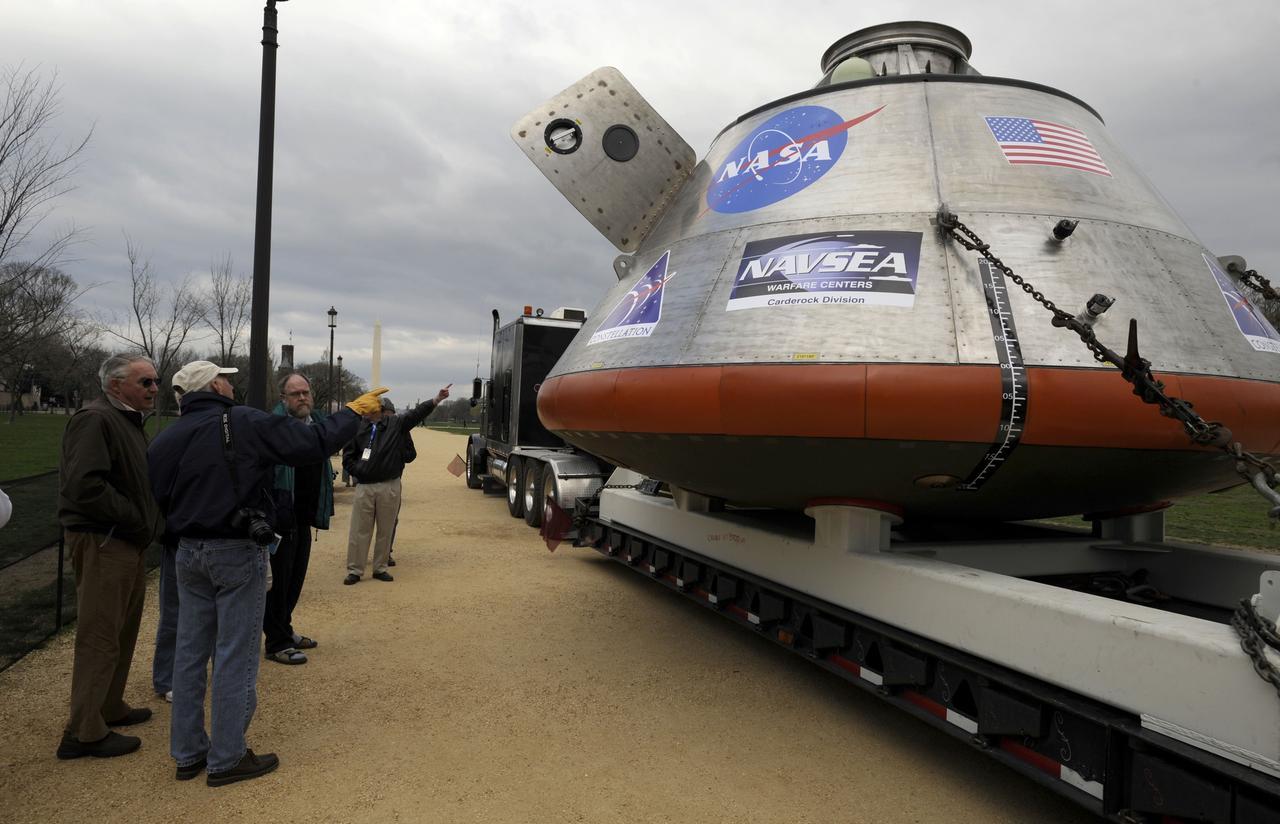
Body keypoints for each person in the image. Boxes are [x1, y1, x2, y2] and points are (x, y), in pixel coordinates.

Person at [148, 360, 386, 786]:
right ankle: (227, 758)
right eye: (226, 379)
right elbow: (311, 442)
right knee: (234, 655)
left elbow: (158, 495)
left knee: (189, 654)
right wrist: (353, 412)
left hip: (187, 551)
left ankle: (187, 753)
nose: (231, 384)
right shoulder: (240, 421)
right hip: (234, 549)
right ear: (214, 386)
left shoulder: (167, 437)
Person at [55, 354, 164, 760]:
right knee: (100, 635)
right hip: (105, 541)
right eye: (146, 382)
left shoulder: (127, 419)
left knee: (122, 630)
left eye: (156, 381)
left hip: (125, 540)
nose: (155, 389)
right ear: (115, 385)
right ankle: (83, 732)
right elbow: (84, 486)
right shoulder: (95, 419)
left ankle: (108, 705)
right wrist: (136, 518)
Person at [262, 373, 335, 665]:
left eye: (305, 392)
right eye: (295, 394)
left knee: (294, 580)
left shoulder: (315, 425)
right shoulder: (275, 426)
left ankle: (285, 629)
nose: (302, 398)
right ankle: (276, 642)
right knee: (277, 583)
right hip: (281, 516)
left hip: (303, 515)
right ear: (283, 399)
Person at [342, 385, 449, 585]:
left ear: (379, 409)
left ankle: (380, 567)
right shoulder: (357, 427)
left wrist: (436, 399)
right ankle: (355, 569)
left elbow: (416, 414)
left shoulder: (395, 424)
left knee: (386, 529)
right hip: (365, 486)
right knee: (359, 529)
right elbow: (348, 456)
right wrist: (358, 471)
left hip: (389, 484)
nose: (370, 410)